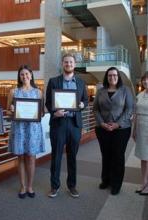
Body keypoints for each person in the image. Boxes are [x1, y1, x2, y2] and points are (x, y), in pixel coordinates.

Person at [45, 53, 88, 198]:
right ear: (62, 64)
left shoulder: (81, 83)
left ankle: (72, 186)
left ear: (74, 65)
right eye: (66, 62)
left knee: (72, 157)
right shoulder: (53, 81)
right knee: (56, 156)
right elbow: (48, 102)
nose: (68, 64)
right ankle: (54, 186)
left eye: (71, 62)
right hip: (58, 123)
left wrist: (82, 105)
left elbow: (85, 101)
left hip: (75, 124)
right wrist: (54, 112)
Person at [93, 66, 134, 195]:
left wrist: (117, 124)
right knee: (106, 155)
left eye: (115, 75)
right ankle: (106, 180)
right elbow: (95, 109)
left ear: (118, 77)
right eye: (110, 75)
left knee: (118, 156)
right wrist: (102, 123)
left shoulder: (125, 90)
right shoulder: (100, 91)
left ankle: (116, 184)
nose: (112, 77)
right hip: (103, 129)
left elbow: (129, 109)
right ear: (107, 77)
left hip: (121, 129)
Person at [8, 65, 45, 199]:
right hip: (19, 129)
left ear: (31, 75)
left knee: (31, 157)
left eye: (27, 74)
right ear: (19, 76)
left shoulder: (38, 92)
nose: (25, 77)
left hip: (33, 128)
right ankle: (22, 186)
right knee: (21, 157)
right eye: (22, 74)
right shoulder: (13, 92)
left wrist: (38, 113)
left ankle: (30, 186)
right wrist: (11, 109)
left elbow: (42, 112)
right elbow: (8, 112)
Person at [133, 72, 148, 195]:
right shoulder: (140, 94)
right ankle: (143, 183)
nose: (146, 82)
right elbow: (136, 113)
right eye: (144, 80)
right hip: (140, 128)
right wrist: (134, 130)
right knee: (144, 158)